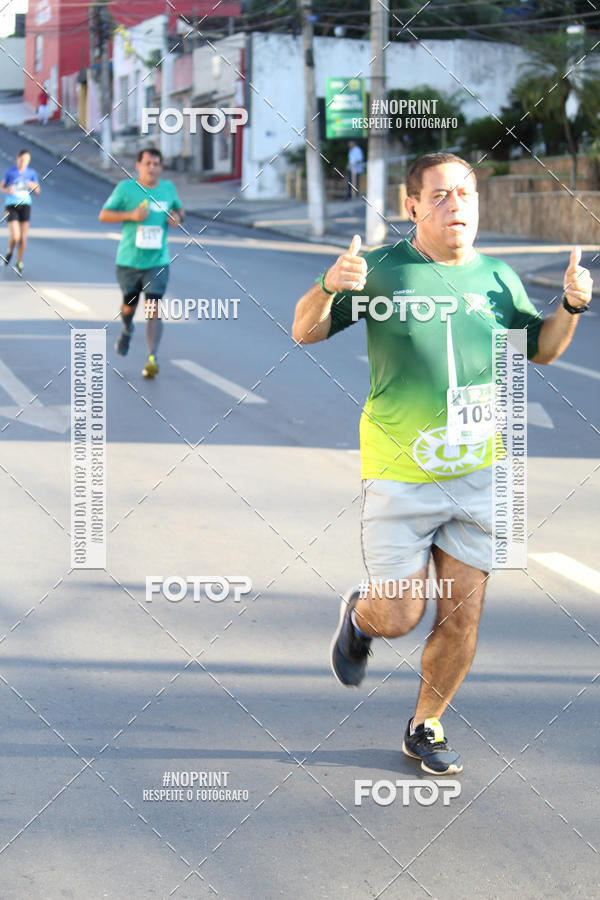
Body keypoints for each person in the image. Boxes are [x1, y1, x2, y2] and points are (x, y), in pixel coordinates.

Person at [292, 152, 592, 775]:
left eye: (465, 194)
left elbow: (541, 351)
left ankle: (425, 724)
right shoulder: (382, 271)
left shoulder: (499, 278)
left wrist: (570, 306)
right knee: (401, 614)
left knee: (462, 614)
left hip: (479, 472)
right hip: (399, 473)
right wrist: (328, 285)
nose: (456, 205)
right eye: (439, 195)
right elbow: (304, 331)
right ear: (411, 207)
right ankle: (362, 617)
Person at [99, 147, 185, 379]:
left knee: (153, 308)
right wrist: (130, 215)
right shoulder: (125, 189)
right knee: (129, 305)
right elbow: (104, 215)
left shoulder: (167, 188)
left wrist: (177, 217)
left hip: (158, 261)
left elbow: (179, 209)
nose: (152, 168)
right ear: (138, 166)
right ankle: (127, 327)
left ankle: (151, 357)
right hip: (129, 261)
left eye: (156, 164)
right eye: (147, 163)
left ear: (161, 167)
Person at [1, 149, 41, 274]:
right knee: (15, 236)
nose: (23, 162)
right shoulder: (11, 172)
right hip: (11, 205)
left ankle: (18, 262)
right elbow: (2, 186)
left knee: (23, 237)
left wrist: (33, 186)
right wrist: (7, 190)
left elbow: (38, 192)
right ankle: (10, 251)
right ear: (17, 158)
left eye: (26, 160)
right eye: (22, 159)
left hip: (25, 205)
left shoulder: (31, 173)